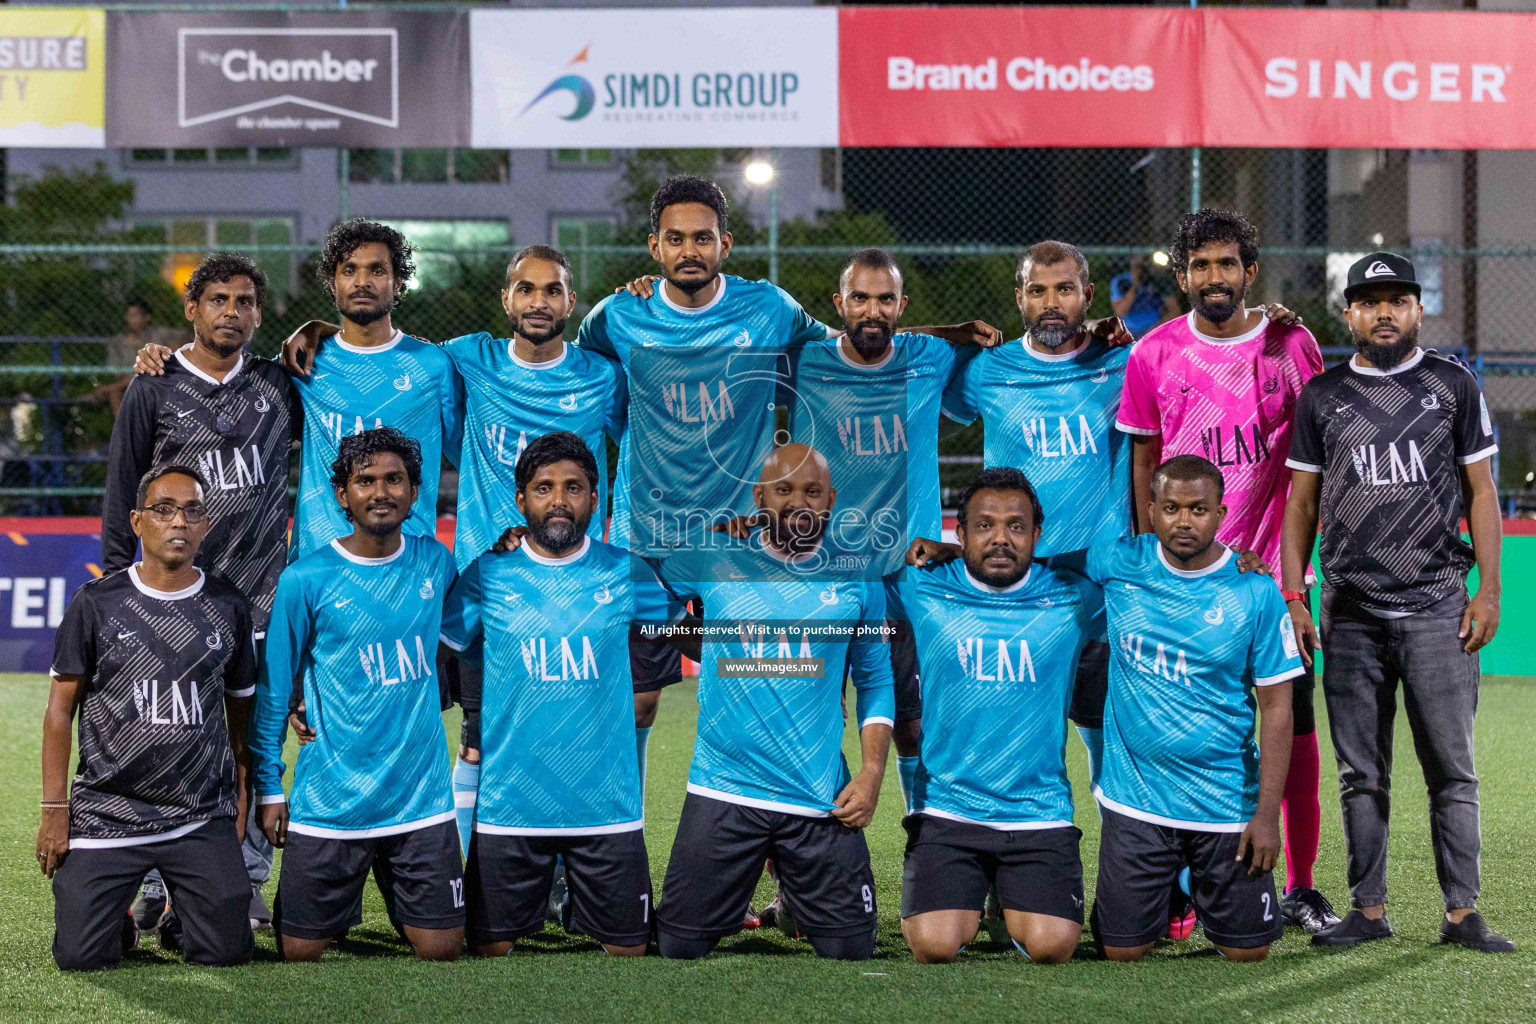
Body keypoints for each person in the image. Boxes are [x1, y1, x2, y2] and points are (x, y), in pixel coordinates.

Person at [1281, 252, 1512, 953]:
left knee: (1452, 766)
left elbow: (1482, 492)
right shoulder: (1322, 396)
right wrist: (1297, 595)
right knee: (1361, 772)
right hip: (1348, 608)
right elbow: (1300, 504)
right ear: (1348, 313)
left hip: (1439, 603)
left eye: (1398, 299)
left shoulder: (1452, 384)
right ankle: (1369, 911)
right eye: (1369, 300)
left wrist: (1490, 588)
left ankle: (1461, 912)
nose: (1384, 311)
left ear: (1416, 309)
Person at [1114, 210, 1335, 935]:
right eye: (1200, 265)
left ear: (1250, 270)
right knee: (1182, 722)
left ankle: (1301, 886)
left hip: (1270, 574)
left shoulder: (1289, 342)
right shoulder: (1153, 354)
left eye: (1227, 263)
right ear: (1182, 276)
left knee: (1294, 723)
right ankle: (1180, 885)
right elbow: (1145, 463)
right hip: (1181, 572)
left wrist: (1296, 581)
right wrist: (1154, 568)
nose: (1214, 277)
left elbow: (1311, 466)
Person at [101, 253, 292, 936]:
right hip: (172, 602)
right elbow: (123, 489)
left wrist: (317, 330)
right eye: (216, 300)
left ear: (259, 314)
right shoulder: (153, 387)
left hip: (264, 600)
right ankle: (156, 883)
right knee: (168, 737)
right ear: (191, 309)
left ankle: (244, 882)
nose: (230, 312)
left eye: (244, 301)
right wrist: (118, 584)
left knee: (252, 748)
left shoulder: (280, 382)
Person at [650, 443, 894, 960]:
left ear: (831, 500)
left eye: (812, 491)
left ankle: (793, 905)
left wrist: (872, 773)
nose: (798, 501)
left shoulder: (859, 574)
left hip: (818, 796)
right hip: (724, 789)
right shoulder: (712, 554)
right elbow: (649, 600)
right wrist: (710, 642)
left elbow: (876, 680)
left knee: (851, 951)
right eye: (783, 490)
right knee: (678, 947)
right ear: (760, 497)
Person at [441, 432, 678, 957]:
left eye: (574, 488)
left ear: (595, 499)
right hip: (508, 809)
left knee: (631, 953)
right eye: (543, 488)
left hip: (608, 811)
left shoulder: (629, 572)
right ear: (521, 499)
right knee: (486, 952)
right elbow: (435, 650)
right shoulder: (486, 575)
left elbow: (695, 637)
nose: (559, 501)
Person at [135, 220, 463, 562]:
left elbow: (470, 460)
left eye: (377, 270)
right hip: (317, 560)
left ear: (397, 283)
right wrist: (165, 361)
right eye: (349, 270)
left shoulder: (433, 366)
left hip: (407, 558)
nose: (362, 281)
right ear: (333, 284)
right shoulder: (302, 363)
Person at [253, 428, 462, 962]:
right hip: (331, 802)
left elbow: (454, 639)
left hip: (421, 801)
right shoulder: (306, 578)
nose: (381, 491)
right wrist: (270, 789)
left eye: (394, 479)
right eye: (365, 481)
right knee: (299, 953)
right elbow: (276, 692)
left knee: (442, 950)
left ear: (415, 492)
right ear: (343, 495)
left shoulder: (436, 564)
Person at [41, 465, 257, 971]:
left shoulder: (228, 605)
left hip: (198, 810)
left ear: (205, 524)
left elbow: (240, 709)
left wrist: (242, 784)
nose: (177, 521)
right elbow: (58, 711)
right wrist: (55, 809)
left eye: (191, 510)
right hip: (109, 808)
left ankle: (184, 916)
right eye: (163, 510)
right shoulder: (95, 603)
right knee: (80, 956)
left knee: (225, 952)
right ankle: (115, 916)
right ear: (138, 522)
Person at [1087, 455, 1302, 963]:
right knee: (1121, 953)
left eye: (1199, 509)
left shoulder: (1254, 589)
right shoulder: (1119, 561)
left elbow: (1277, 707)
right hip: (1135, 801)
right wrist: (954, 550)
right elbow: (1033, 565)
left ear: (1221, 513)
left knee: (1247, 955)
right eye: (1172, 508)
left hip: (1225, 802)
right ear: (1151, 510)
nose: (1184, 521)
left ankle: (1193, 886)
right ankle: (1175, 889)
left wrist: (1267, 815)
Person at [942, 241, 1135, 800]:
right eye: (1038, 290)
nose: (1052, 303)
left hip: (1101, 579)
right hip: (1017, 581)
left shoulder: (1122, 362)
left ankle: (1133, 881)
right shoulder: (987, 371)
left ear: (1088, 296)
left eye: (1065, 289)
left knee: (1108, 736)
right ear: (1019, 297)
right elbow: (920, 410)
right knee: (1012, 734)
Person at [893, 467, 1101, 965]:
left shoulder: (1073, 596)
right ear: (959, 533)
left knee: (1053, 948)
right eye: (984, 526)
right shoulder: (923, 589)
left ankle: (1007, 898)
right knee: (932, 945)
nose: (1001, 538)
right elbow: (841, 576)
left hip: (1037, 811)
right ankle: (979, 896)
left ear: (1036, 533)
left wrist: (1235, 564)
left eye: (1015, 526)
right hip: (948, 809)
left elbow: (1149, 577)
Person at [94, 299, 187, 415]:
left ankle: (107, 389)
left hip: (159, 378)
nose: (130, 319)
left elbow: (184, 334)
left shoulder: (157, 333)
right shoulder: (117, 343)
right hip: (130, 381)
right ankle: (124, 430)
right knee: (117, 391)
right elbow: (119, 373)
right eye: (128, 315)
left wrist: (168, 351)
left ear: (146, 317)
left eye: (135, 315)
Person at [1109, 254, 1180, 340]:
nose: (1141, 263)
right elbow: (1120, 311)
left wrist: (1155, 329)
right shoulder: (1121, 281)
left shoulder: (1159, 280)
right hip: (1129, 331)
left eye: (1144, 260)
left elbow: (1175, 310)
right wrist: (1135, 284)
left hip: (1155, 330)